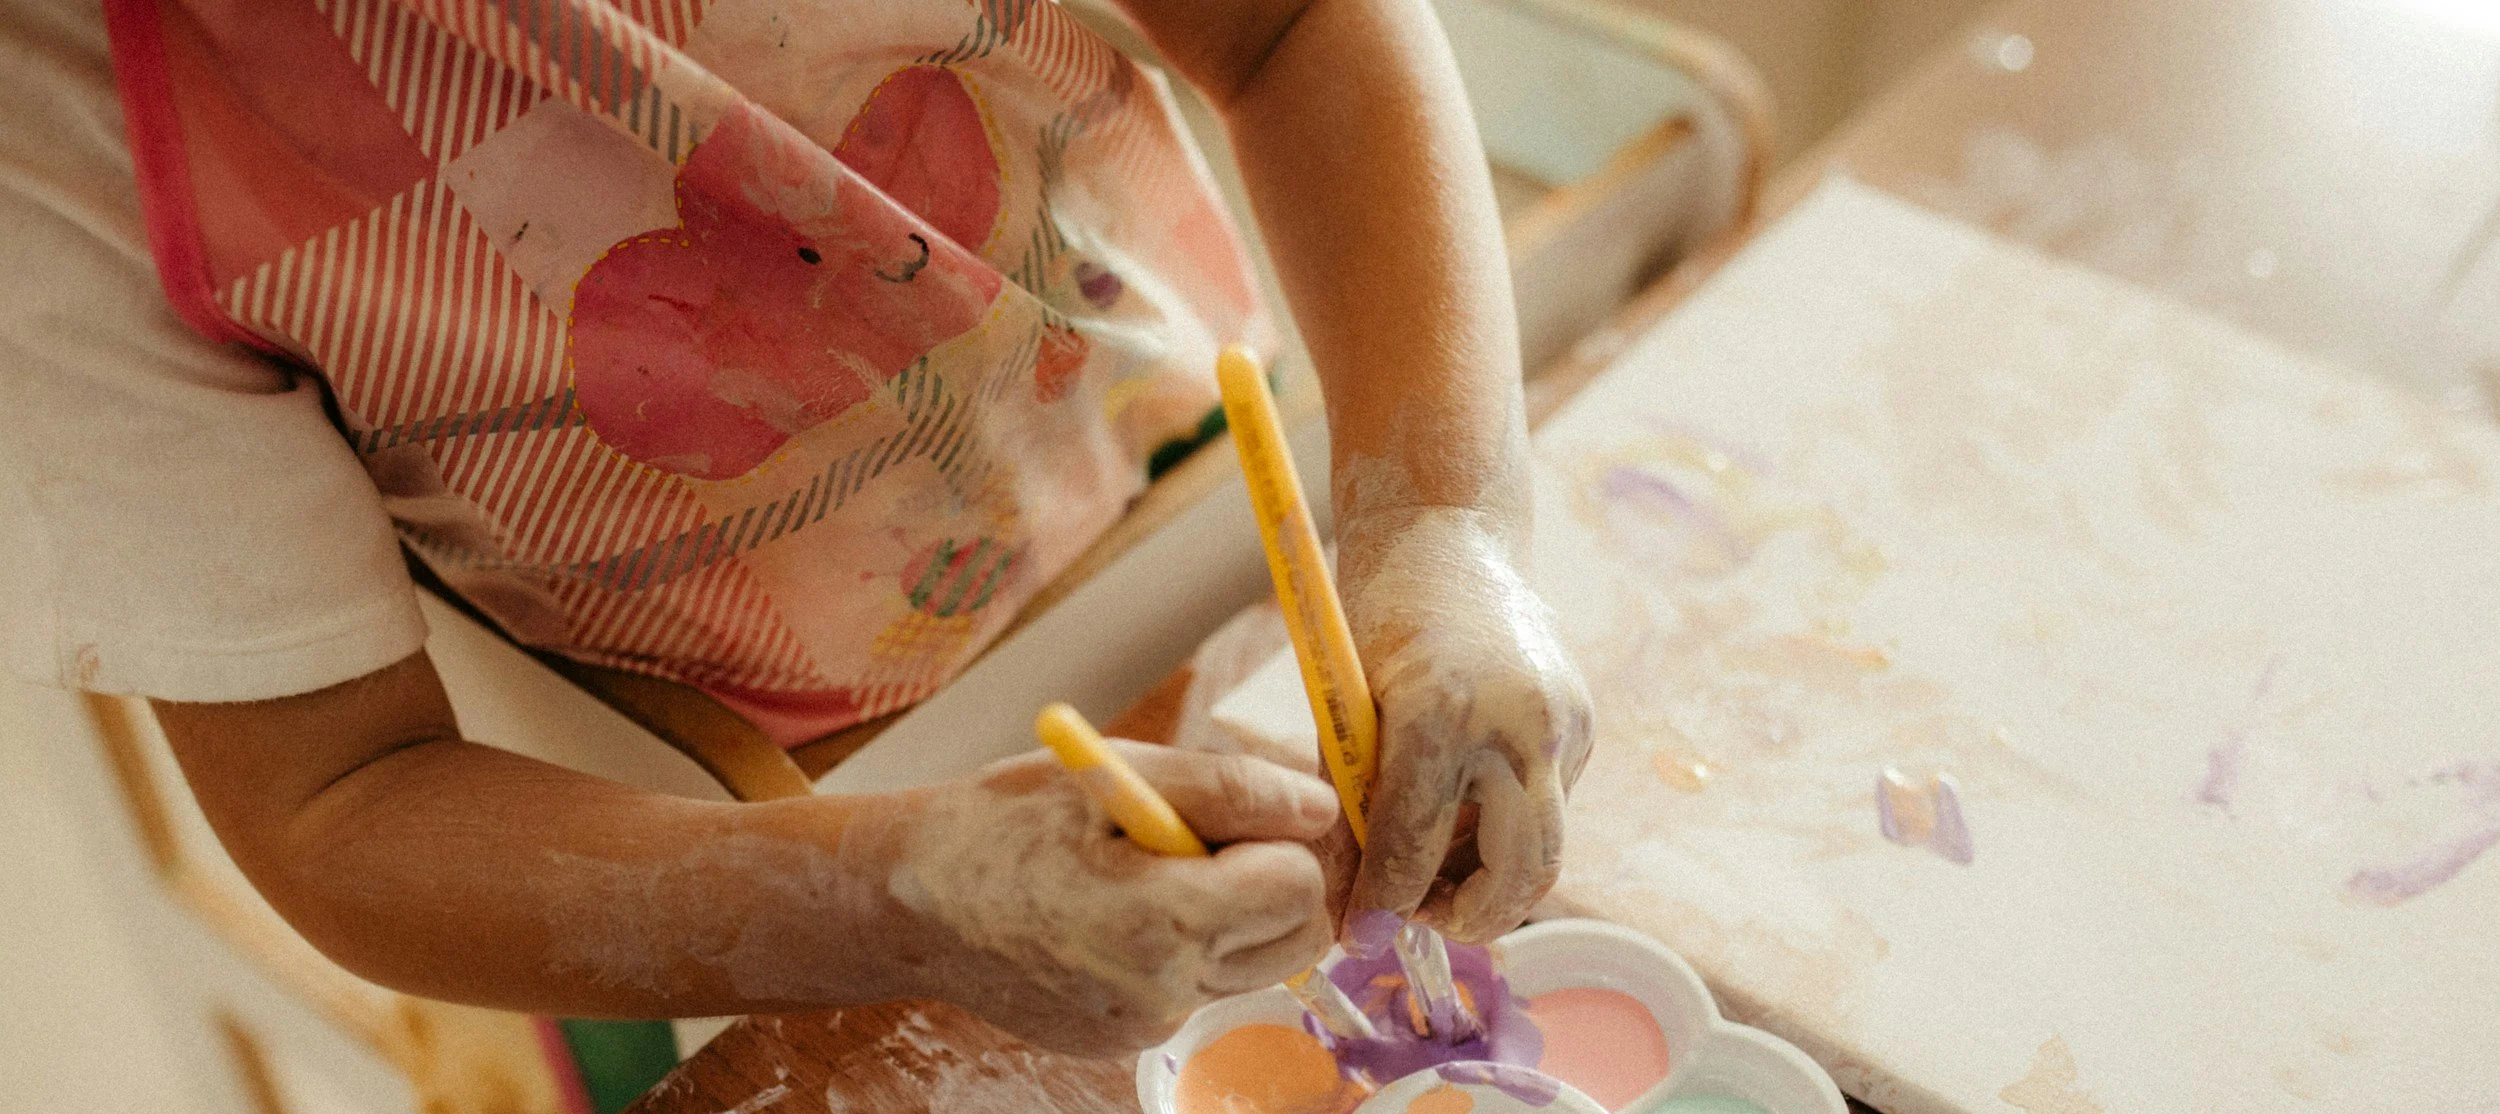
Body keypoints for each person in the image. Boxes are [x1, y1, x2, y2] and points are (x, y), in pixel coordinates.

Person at [1, 0, 1592, 1058]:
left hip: (1206, 514)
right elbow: (336, 806)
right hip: (740, 846)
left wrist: (1443, 516)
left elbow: (1294, 30)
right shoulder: (46, 124)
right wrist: (890, 899)